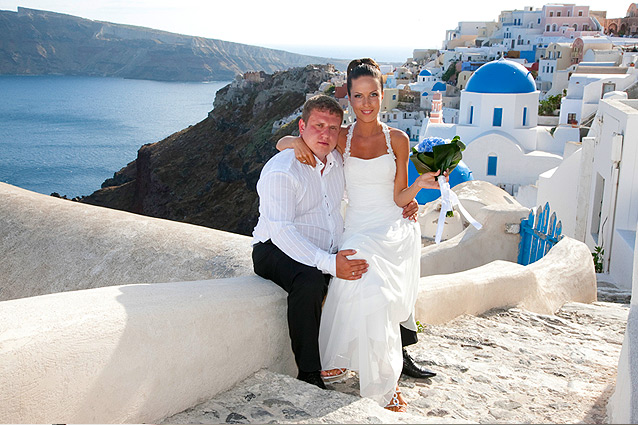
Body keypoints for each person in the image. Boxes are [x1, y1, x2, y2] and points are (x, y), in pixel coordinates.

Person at [277, 58, 444, 412]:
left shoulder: (398, 139)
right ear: (349, 98)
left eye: (373, 95)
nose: (366, 104)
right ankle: (383, 381)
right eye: (358, 96)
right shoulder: (342, 138)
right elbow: (285, 142)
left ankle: (376, 372)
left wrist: (417, 187)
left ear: (383, 95)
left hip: (391, 226)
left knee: (377, 294)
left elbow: (399, 196)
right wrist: (295, 143)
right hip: (356, 227)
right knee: (364, 282)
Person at [252, 94, 417, 390]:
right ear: (302, 127)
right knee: (311, 281)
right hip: (276, 249)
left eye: (332, 128)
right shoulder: (282, 171)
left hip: (325, 247)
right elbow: (282, 232)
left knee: (374, 267)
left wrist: (405, 205)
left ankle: (399, 353)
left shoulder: (337, 160)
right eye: (317, 126)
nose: (325, 134)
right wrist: (329, 263)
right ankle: (310, 372)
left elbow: (366, 190)